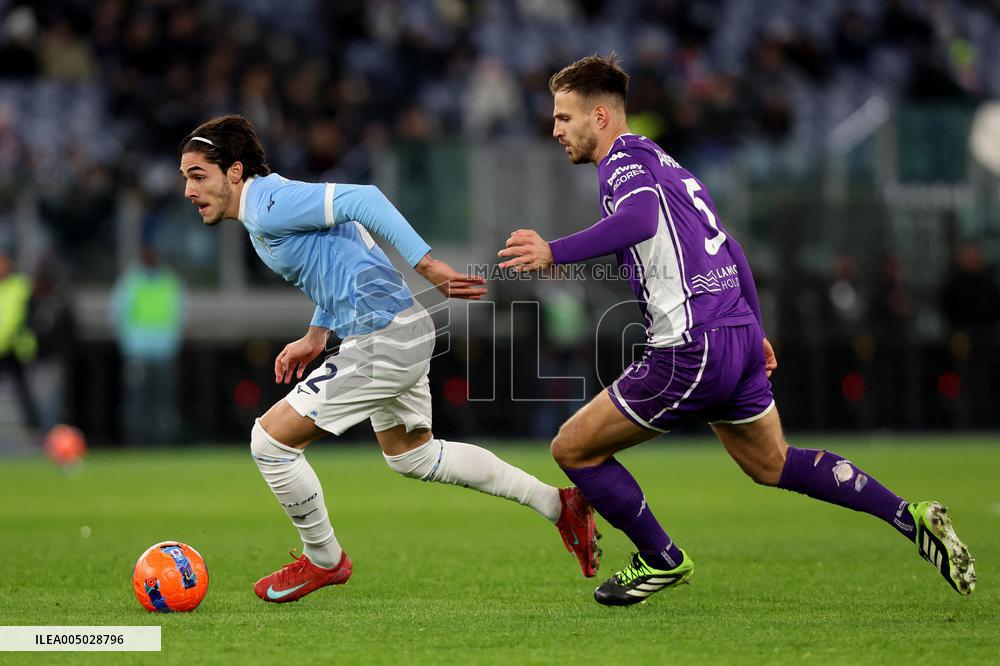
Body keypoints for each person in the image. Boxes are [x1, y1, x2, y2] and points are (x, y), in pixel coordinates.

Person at [498, 54, 976, 606]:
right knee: (772, 463)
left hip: (690, 346)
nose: (555, 129)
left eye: (564, 117)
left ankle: (661, 559)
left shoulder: (622, 165)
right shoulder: (665, 160)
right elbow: (731, 245)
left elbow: (641, 221)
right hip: (734, 332)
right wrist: (756, 327)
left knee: (573, 449)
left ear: (601, 116)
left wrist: (554, 251)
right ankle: (909, 516)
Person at [177, 115, 598, 603]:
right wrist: (317, 333)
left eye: (197, 175)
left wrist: (428, 264)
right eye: (186, 177)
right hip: (396, 329)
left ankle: (323, 560)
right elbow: (341, 248)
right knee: (414, 456)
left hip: (383, 337)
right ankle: (559, 504)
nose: (188, 189)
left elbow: (365, 200)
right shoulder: (265, 211)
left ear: (234, 171)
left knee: (269, 442)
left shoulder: (268, 204)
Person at [110, 246, 186, 443]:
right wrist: (129, 346)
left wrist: (171, 343)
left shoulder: (169, 282)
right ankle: (136, 441)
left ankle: (161, 441)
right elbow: (119, 315)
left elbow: (180, 314)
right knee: (137, 401)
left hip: (163, 353)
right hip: (138, 353)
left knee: (163, 401)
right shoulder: (131, 282)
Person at [0, 245, 40, 432]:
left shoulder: (20, 285)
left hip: (16, 349)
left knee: (25, 394)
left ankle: (34, 431)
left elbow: (21, 317)